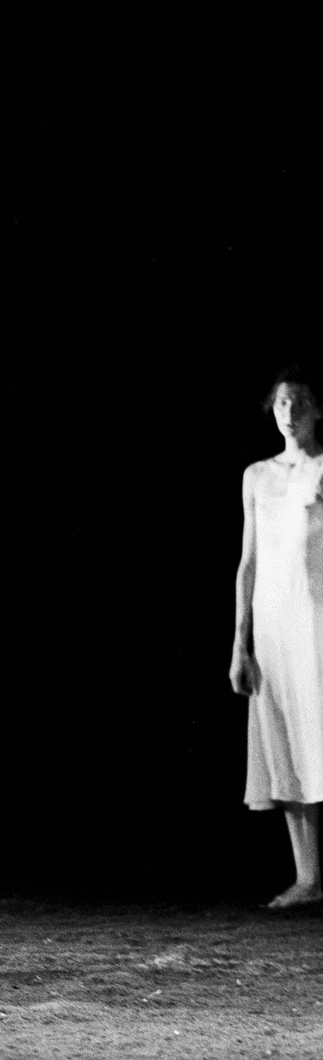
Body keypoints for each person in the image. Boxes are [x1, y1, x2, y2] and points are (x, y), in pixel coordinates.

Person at [230, 368, 323, 908]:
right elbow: (248, 562)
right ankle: (307, 876)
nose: (291, 411)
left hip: (316, 616)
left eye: (302, 401)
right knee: (285, 739)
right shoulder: (257, 475)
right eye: (283, 402)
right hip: (273, 622)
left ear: (317, 409)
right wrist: (239, 643)